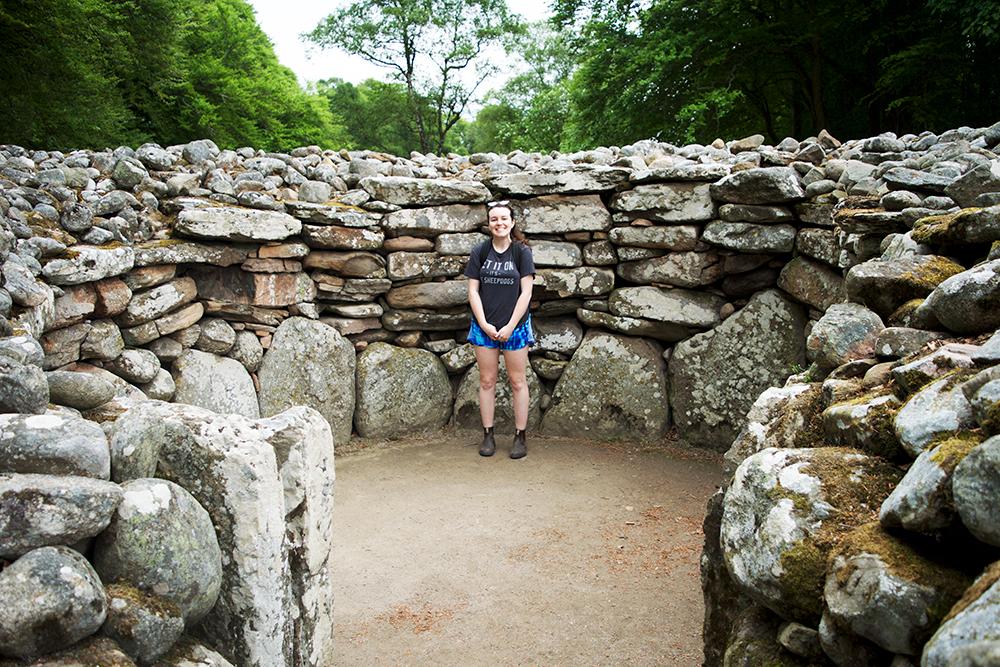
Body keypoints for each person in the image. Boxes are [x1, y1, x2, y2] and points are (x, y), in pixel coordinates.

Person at [464, 200, 535, 459]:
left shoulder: (521, 253)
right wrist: (483, 323)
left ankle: (520, 435)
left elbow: (526, 292)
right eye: (494, 219)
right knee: (487, 381)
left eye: (504, 219)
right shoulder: (480, 252)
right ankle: (488, 434)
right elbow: (472, 290)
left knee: (517, 381)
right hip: (484, 327)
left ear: (512, 222)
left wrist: (509, 326)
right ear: (489, 223)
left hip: (515, 327)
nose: (499, 223)